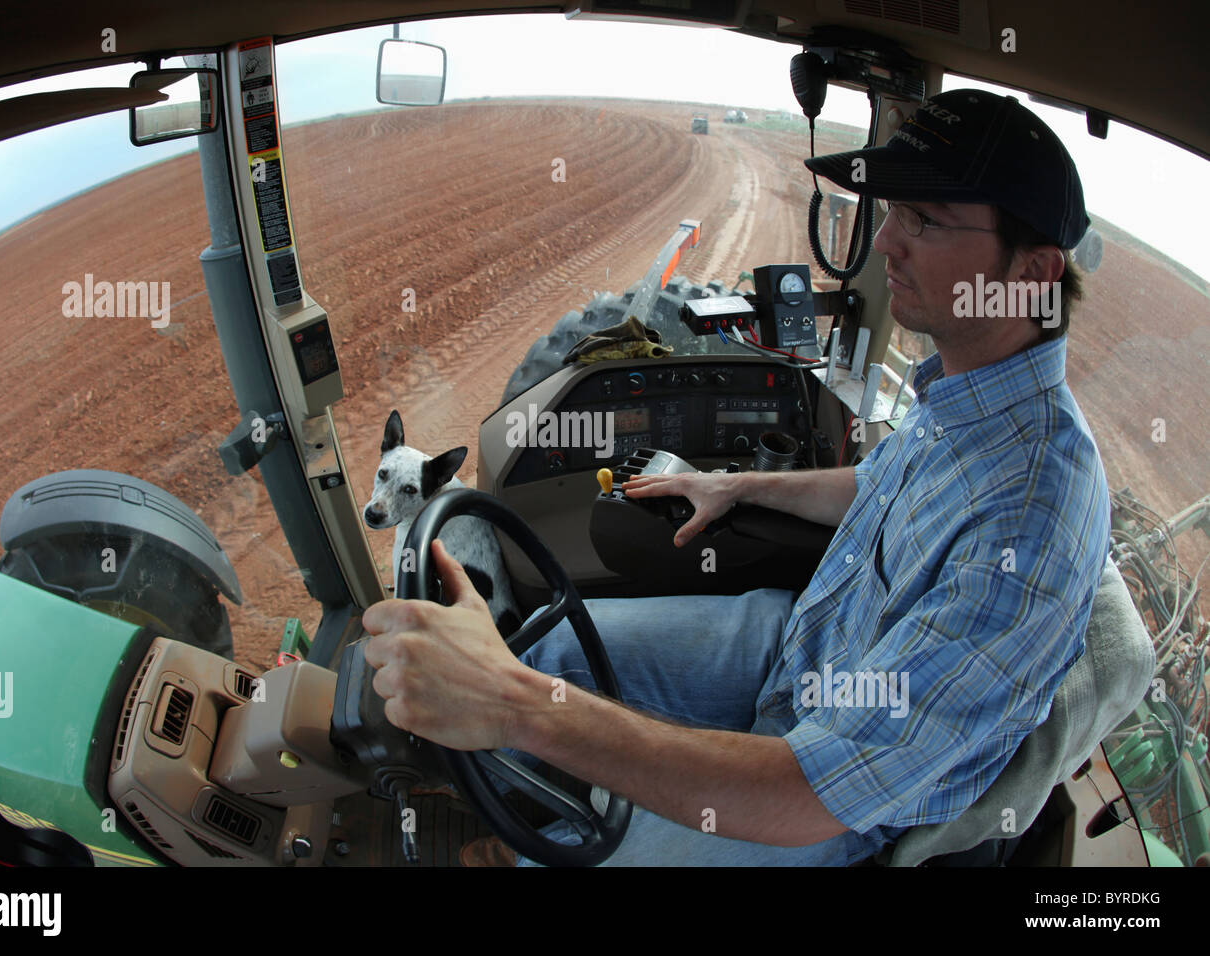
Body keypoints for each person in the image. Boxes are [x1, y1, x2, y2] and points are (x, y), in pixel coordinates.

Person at [361, 88, 1111, 866]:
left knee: (544, 820)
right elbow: (880, 486)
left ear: (1032, 272)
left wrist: (515, 711)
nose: (886, 242)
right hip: (796, 648)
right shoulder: (967, 395)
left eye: (923, 219)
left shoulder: (1033, 513)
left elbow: (812, 788)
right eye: (891, 211)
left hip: (825, 800)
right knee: (543, 654)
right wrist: (738, 486)